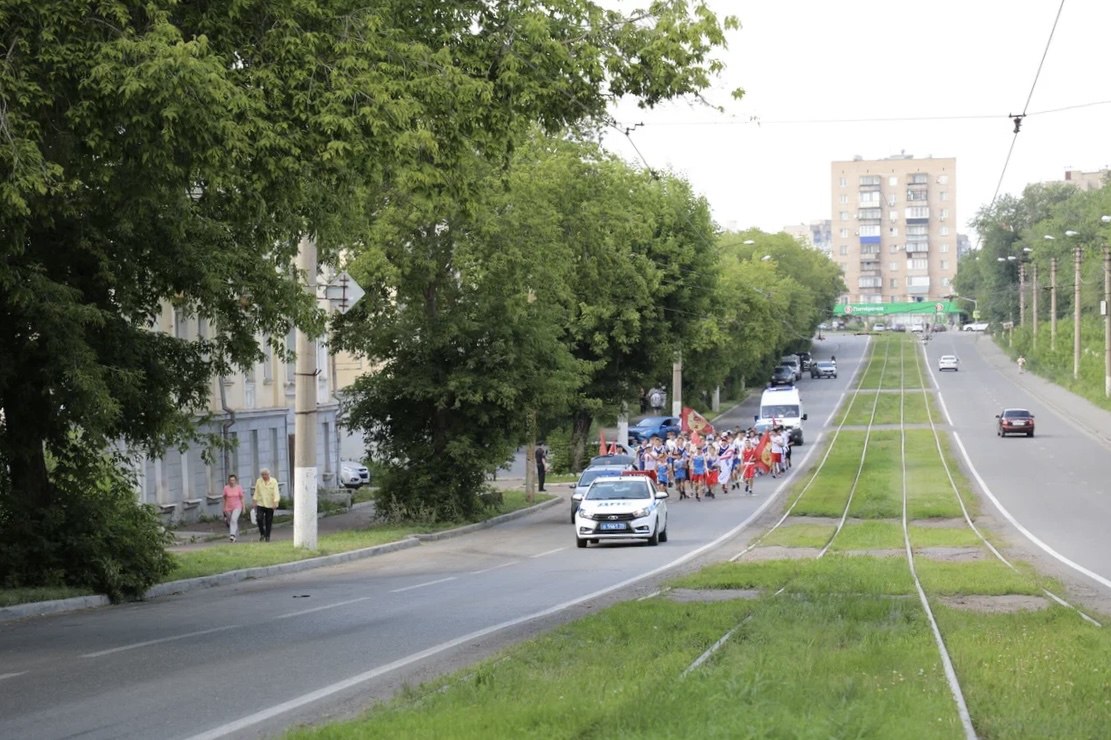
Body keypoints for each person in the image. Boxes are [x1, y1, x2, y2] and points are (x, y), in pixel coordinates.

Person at [252, 468, 280, 542]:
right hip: (261, 503)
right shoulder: (259, 481)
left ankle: (267, 536)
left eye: (265, 474)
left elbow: (276, 492)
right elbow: (256, 491)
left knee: (269, 521)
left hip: (270, 504)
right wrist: (254, 501)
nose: (264, 476)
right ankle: (262, 533)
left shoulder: (273, 481)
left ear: (269, 475)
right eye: (263, 475)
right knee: (259, 518)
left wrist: (275, 502)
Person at [222, 474, 245, 543]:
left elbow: (242, 498)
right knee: (232, 521)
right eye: (231, 480)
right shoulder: (226, 488)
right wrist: (224, 508)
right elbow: (224, 498)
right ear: (228, 481)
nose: (232, 481)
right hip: (228, 507)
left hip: (237, 506)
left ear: (236, 481)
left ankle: (232, 535)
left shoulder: (239, 488)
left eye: (233, 480)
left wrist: (244, 508)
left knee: (233, 519)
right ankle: (235, 534)